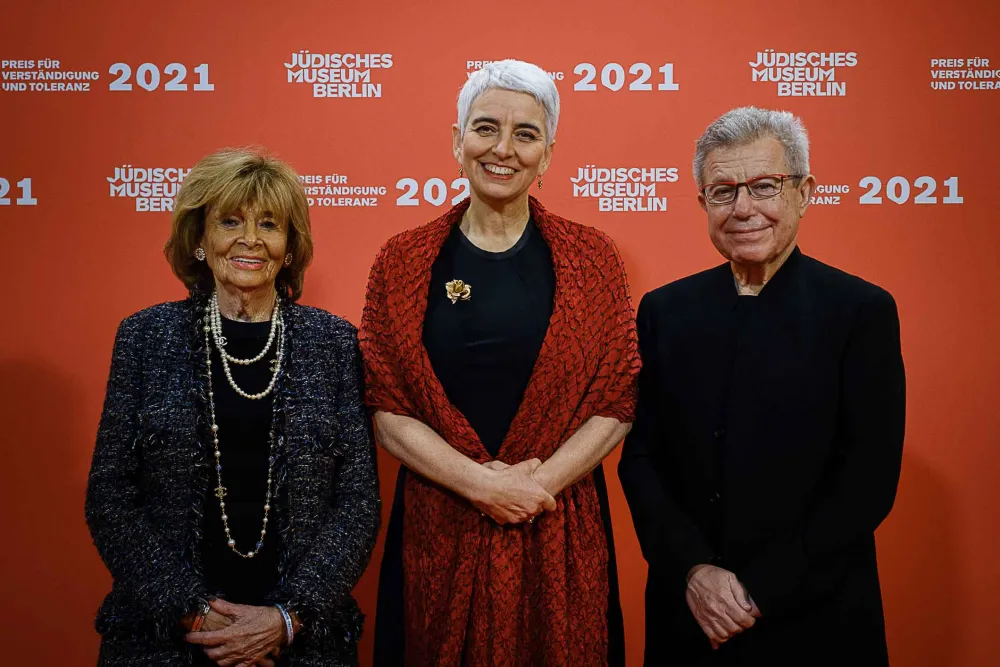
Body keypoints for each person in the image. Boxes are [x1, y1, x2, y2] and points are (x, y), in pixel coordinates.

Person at [360, 59, 639, 666]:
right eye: (486, 128)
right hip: (440, 524)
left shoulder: (593, 258)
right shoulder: (402, 260)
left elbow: (616, 402)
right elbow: (386, 408)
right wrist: (484, 486)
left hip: (557, 525)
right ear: (457, 141)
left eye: (526, 134)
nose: (503, 149)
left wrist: (531, 488)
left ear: (549, 153)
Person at [619, 106, 906, 666]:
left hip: (816, 616)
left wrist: (756, 590)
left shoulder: (859, 311)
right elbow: (641, 458)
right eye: (723, 191)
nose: (743, 208)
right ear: (703, 203)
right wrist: (695, 571)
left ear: (804, 192)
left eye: (765, 186)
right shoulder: (664, 311)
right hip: (691, 615)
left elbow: (867, 481)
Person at [85, 148, 380, 667]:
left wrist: (287, 617)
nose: (250, 239)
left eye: (269, 224)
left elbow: (357, 503)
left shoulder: (334, 344)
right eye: (230, 221)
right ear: (199, 240)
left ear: (289, 248)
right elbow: (110, 495)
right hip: (164, 639)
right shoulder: (145, 337)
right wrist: (193, 615)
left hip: (302, 642)